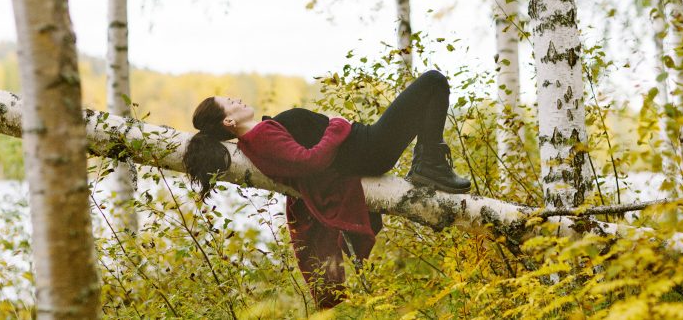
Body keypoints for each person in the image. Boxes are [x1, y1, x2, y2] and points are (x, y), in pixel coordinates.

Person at [183, 69, 470, 308]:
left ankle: (430, 163)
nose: (238, 99)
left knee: (430, 88)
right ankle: (429, 165)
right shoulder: (260, 138)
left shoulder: (256, 138)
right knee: (433, 82)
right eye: (230, 101)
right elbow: (309, 162)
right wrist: (337, 125)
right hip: (368, 148)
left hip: (366, 147)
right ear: (228, 121)